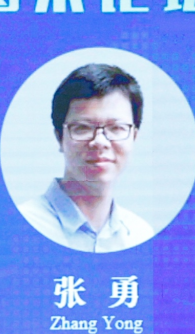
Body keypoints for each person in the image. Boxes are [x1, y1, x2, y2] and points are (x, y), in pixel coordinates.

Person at [17, 64, 156, 252]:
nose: (100, 142)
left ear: (134, 137)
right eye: (83, 127)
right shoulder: (23, 227)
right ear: (59, 138)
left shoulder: (140, 235)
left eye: (116, 128)